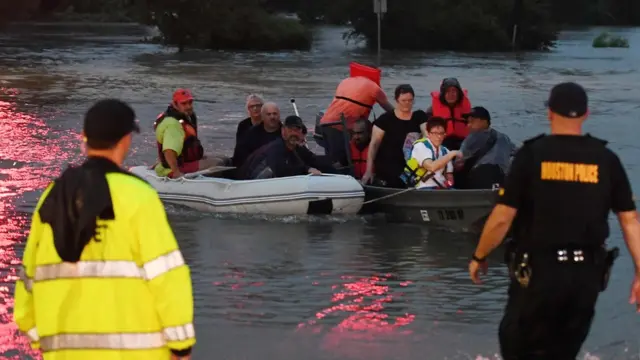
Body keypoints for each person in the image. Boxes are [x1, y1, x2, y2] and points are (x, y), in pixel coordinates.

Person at [468, 82, 640, 359]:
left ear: (549, 112)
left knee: (518, 347)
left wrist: (479, 256)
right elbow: (630, 220)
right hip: (586, 278)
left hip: (538, 273)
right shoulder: (605, 160)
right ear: (586, 114)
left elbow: (502, 217)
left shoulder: (531, 155)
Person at [14, 99, 195, 360]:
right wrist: (182, 347)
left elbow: (28, 281)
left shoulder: (53, 196)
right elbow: (167, 277)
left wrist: (44, 341)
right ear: (125, 140)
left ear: (83, 138)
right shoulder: (138, 195)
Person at [318, 70, 394, 166]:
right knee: (342, 162)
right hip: (341, 126)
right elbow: (391, 111)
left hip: (325, 123)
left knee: (332, 160)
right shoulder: (374, 88)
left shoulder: (345, 81)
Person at [361, 84, 428, 188]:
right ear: (396, 100)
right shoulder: (384, 120)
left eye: (410, 100)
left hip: (411, 166)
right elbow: (374, 145)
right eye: (404, 100)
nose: (407, 104)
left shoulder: (419, 116)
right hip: (389, 165)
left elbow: (426, 132)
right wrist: (368, 171)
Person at [154, 88, 227, 179]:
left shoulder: (185, 117)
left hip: (187, 160)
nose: (188, 106)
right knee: (218, 163)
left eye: (190, 102)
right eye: (184, 103)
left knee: (225, 159)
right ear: (175, 104)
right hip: (177, 167)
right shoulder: (173, 124)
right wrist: (176, 172)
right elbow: (169, 151)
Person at [238, 115, 335, 180]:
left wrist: (336, 163)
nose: (293, 133)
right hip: (250, 184)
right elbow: (281, 170)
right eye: (290, 129)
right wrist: (307, 169)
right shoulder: (276, 148)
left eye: (297, 129)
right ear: (283, 131)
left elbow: (313, 159)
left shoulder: (297, 147)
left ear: (301, 132)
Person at [455, 106, 516, 189]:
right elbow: (517, 154)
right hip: (502, 178)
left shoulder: (472, 138)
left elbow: (458, 163)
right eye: (468, 122)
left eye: (471, 122)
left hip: (480, 177)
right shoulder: (504, 138)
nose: (468, 125)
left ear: (484, 121)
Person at [402, 117, 461, 189]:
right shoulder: (420, 146)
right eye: (435, 133)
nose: (439, 137)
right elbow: (431, 167)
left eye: (441, 133)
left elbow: (449, 176)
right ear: (428, 133)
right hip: (422, 188)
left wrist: (449, 182)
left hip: (440, 188)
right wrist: (452, 154)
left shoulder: (445, 151)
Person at [426, 78, 472, 151]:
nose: (451, 94)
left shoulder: (468, 111)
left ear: (458, 93)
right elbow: (427, 131)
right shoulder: (431, 111)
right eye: (447, 91)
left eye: (454, 91)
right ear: (443, 94)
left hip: (463, 143)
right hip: (442, 143)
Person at [232, 102, 282, 167]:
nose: (272, 117)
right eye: (268, 114)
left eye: (275, 114)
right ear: (262, 117)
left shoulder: (286, 134)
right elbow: (239, 157)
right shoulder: (250, 135)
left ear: (279, 115)